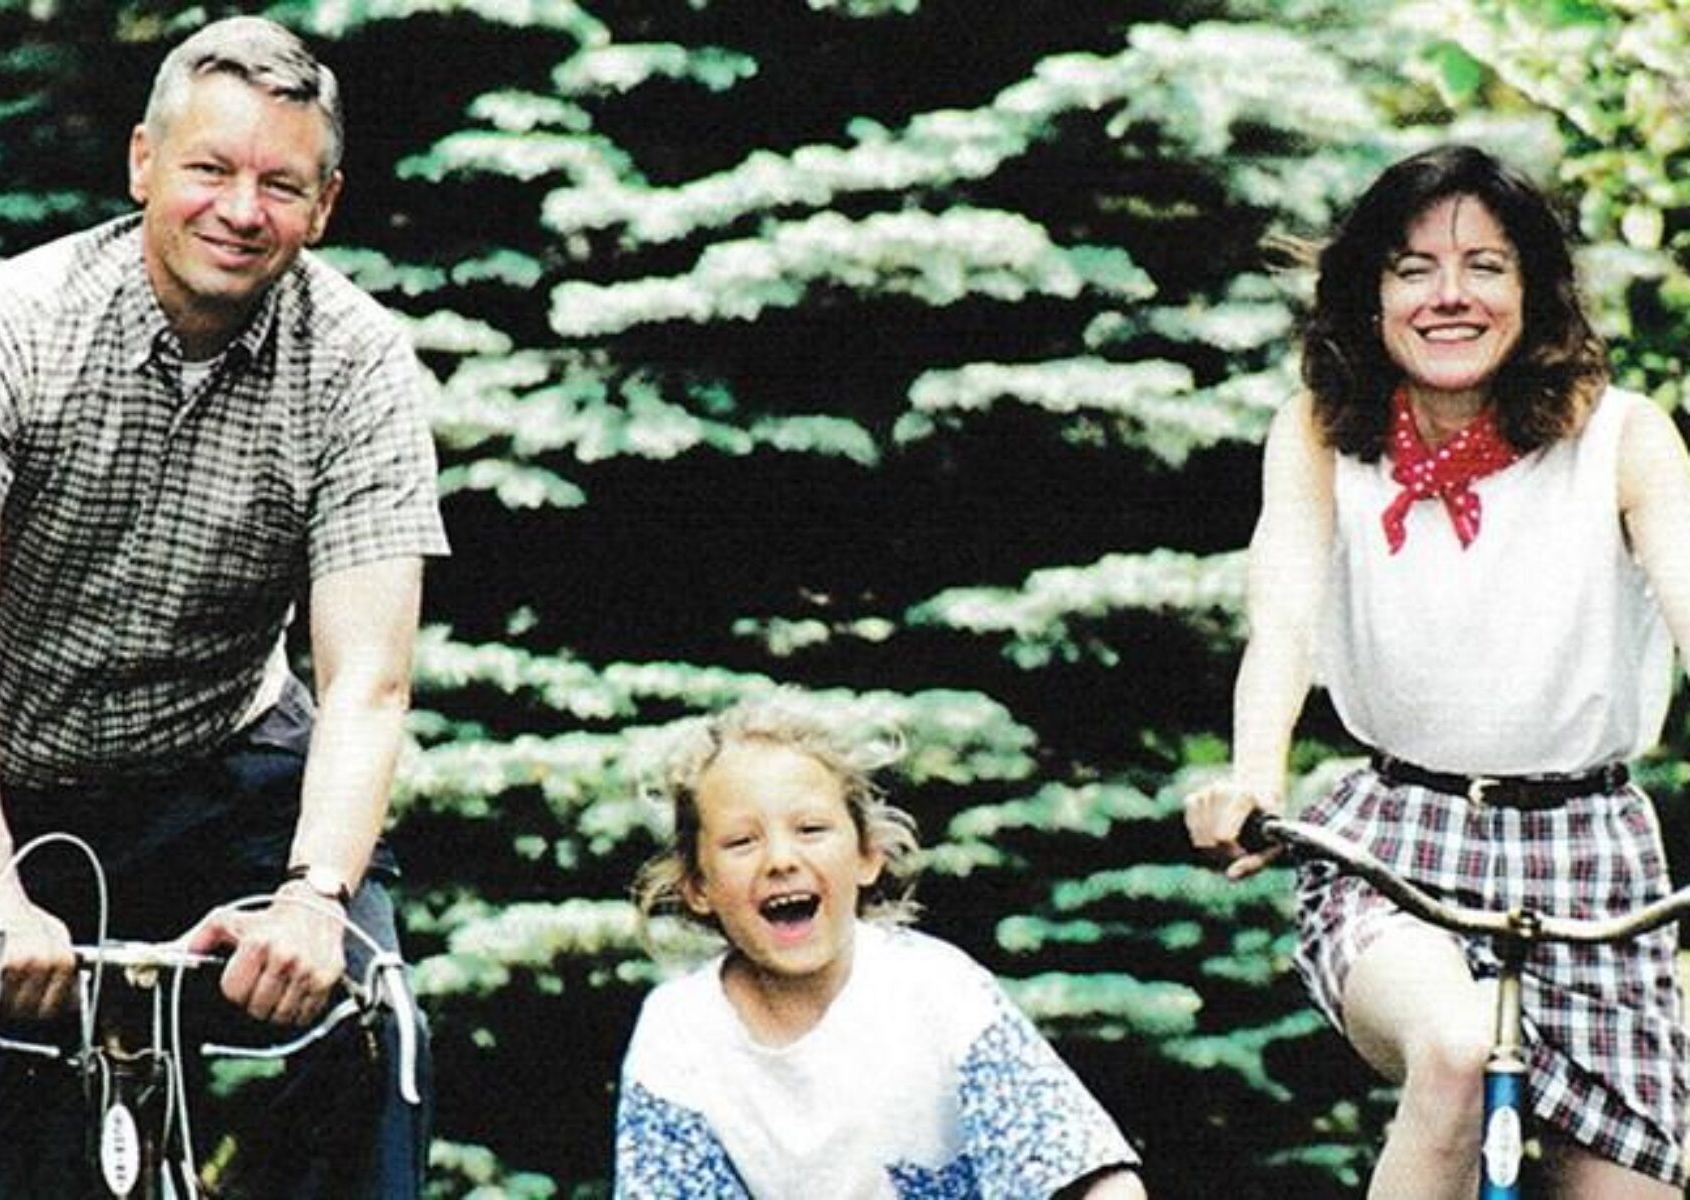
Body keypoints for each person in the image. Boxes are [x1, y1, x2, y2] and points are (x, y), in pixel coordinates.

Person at [0, 15, 448, 1197]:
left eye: (280, 184)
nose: (241, 210)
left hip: (217, 764)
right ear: (144, 163)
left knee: (369, 1029)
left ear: (325, 205)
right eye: (210, 169)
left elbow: (368, 678)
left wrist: (314, 899)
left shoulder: (362, 368)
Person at [1185, 143, 1690, 1198]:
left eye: (1485, 266)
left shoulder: (1624, 439)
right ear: (1370, 296)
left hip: (1590, 850)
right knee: (1458, 1053)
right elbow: (1283, 620)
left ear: (1534, 291)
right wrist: (1253, 781)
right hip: (1399, 844)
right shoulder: (1322, 432)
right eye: (1413, 269)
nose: (1449, 296)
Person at [613, 691, 1148, 1199]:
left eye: (810, 829)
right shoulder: (680, 1033)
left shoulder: (938, 990)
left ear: (868, 855)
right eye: (741, 841)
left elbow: (1086, 1169)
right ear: (698, 887)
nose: (780, 860)